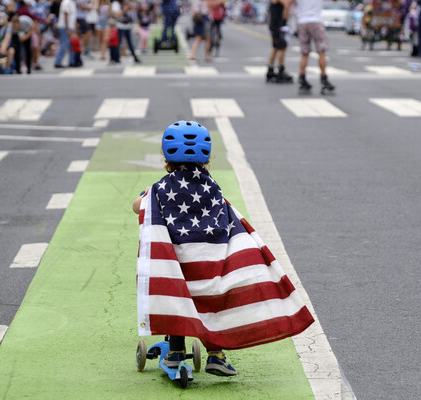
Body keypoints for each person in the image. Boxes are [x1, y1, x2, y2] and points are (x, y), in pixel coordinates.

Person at [132, 120, 314, 377]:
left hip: (180, 267)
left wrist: (145, 198)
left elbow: (137, 206)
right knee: (213, 303)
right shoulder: (212, 188)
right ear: (206, 157)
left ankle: (174, 354)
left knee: (179, 300)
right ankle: (216, 355)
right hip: (210, 264)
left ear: (166, 157)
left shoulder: (159, 190)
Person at [286, 0, 334, 94]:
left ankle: (302, 77)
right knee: (321, 52)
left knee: (304, 53)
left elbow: (288, 3)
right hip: (316, 21)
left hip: (302, 22)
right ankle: (323, 78)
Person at [266, 0, 292, 83]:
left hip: (275, 24)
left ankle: (270, 70)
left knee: (276, 47)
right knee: (282, 47)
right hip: (277, 25)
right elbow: (287, 4)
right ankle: (281, 70)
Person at [54, 0, 76, 67]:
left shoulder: (72, 3)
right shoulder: (66, 2)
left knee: (72, 44)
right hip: (65, 27)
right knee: (64, 44)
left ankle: (72, 61)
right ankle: (58, 62)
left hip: (70, 26)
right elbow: (65, 14)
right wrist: (67, 27)